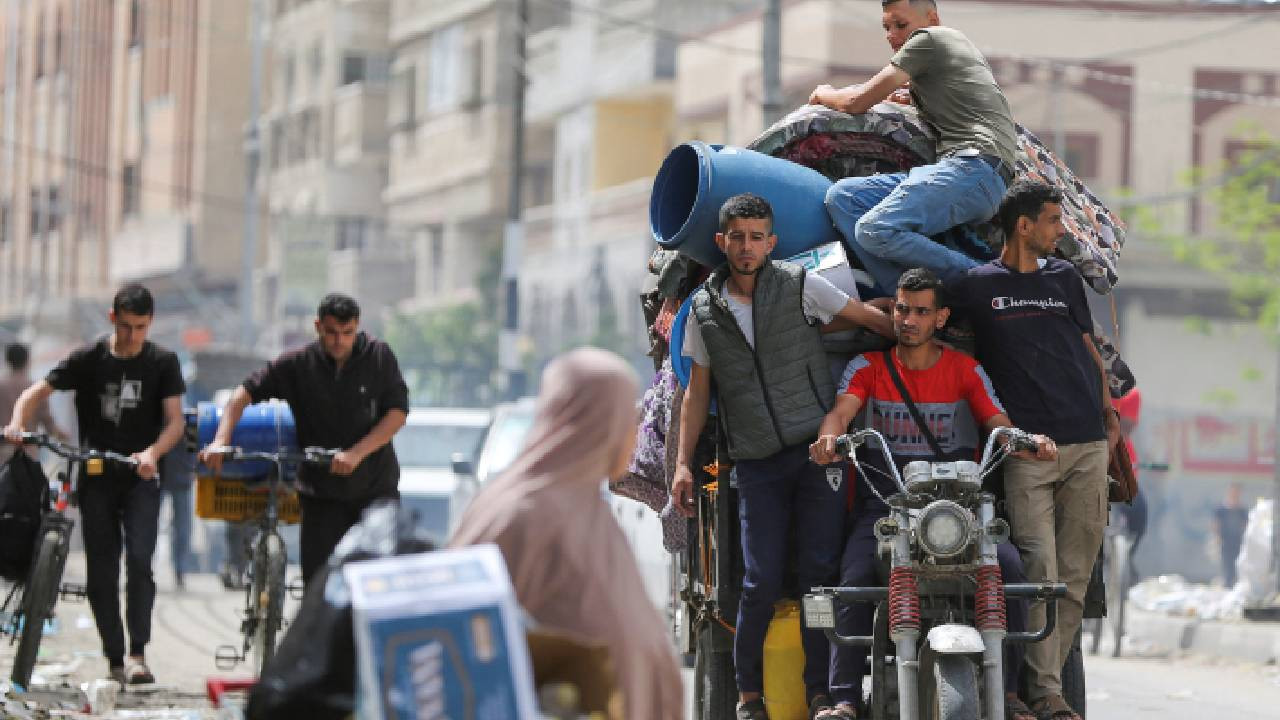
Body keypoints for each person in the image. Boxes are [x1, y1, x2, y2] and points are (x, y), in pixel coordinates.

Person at [668, 193, 894, 719]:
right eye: (737, 237)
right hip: (755, 462)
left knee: (819, 572)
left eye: (756, 236)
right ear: (722, 242)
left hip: (816, 455)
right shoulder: (703, 310)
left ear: (771, 242)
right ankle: (750, 697)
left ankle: (820, 692)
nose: (747, 247)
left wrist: (915, 332)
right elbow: (697, 391)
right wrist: (681, 461)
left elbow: (862, 317)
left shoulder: (799, 286)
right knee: (759, 580)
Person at [810, 268, 1055, 720]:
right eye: (902, 308)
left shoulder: (966, 370)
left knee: (1012, 571)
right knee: (854, 580)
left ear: (940, 318)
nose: (908, 319)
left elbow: (996, 422)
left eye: (921, 311)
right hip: (887, 506)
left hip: (960, 507)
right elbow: (841, 412)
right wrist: (830, 439)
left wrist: (1021, 439)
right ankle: (843, 697)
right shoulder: (868, 368)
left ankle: (1012, 693)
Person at [947, 180, 1119, 720]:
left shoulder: (1065, 278)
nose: (1060, 230)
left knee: (1073, 575)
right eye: (1051, 220)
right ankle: (1034, 691)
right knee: (1037, 571)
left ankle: (1044, 688)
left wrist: (1110, 413)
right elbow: (923, 320)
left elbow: (1087, 347)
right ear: (1023, 225)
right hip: (1027, 453)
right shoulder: (977, 286)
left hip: (1088, 444)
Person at [451, 348, 684, 720]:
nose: (635, 435)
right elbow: (463, 645)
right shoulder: (521, 513)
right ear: (598, 423)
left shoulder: (585, 506)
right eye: (629, 420)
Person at [3, 284, 186, 686]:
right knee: (101, 574)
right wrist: (18, 423)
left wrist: (152, 454)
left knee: (140, 561)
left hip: (142, 477)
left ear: (150, 324)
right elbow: (38, 392)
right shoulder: (89, 359)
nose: (132, 336)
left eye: (140, 327)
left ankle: (139, 652)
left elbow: (176, 422)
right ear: (111, 318)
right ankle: (115, 658)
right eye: (125, 326)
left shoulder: (163, 362)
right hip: (97, 475)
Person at [198, 293, 408, 589]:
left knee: (377, 582)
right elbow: (242, 395)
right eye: (332, 333)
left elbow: (397, 413)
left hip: (374, 489)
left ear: (357, 328)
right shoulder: (298, 364)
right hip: (321, 493)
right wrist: (221, 441)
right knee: (317, 585)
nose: (339, 342)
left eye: (347, 334)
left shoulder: (378, 357)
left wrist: (356, 454)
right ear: (318, 327)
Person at [810, 0, 1018, 296]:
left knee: (874, 229)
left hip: (973, 168)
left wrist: (824, 93)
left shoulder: (930, 40)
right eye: (886, 27)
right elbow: (898, 96)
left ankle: (987, 283)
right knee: (843, 198)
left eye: (901, 24)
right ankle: (902, 295)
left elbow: (855, 103)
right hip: (964, 172)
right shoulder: (944, 59)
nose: (892, 34)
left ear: (932, 18)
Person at [0, 343, 68, 464]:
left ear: (8, 360)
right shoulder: (34, 390)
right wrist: (65, 436)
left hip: (2, 453)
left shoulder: (2, 386)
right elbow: (49, 424)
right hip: (28, 455)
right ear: (27, 360)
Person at [159, 440, 196, 590]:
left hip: (182, 472)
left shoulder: (189, 418)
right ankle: (141, 566)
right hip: (158, 471)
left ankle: (180, 570)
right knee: (145, 522)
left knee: (182, 528)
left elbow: (194, 440)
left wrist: (193, 466)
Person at [1213, 483, 1248, 588]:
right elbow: (1216, 524)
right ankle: (1227, 585)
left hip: (1238, 541)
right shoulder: (1222, 508)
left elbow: (1246, 525)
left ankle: (1235, 585)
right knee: (1227, 564)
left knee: (1238, 564)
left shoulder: (1242, 509)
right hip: (1226, 541)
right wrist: (1217, 537)